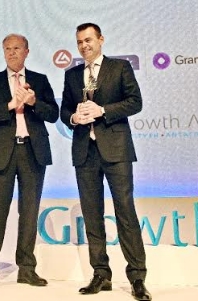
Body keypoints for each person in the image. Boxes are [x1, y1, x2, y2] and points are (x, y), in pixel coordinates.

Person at [60, 23, 151, 300]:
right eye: (79, 42)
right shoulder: (72, 75)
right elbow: (65, 110)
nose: (84, 45)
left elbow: (135, 102)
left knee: (126, 212)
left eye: (88, 40)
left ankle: (137, 277)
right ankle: (101, 273)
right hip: (84, 152)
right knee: (92, 214)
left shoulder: (120, 67)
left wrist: (102, 110)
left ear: (101, 39)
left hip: (116, 150)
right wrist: (74, 117)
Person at [0, 33, 59, 289]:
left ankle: (27, 269)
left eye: (17, 48)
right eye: (7, 48)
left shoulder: (40, 80)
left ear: (26, 52)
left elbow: (53, 114)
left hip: (32, 151)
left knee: (29, 212)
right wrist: (11, 105)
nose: (11, 52)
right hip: (1, 154)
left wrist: (33, 101)